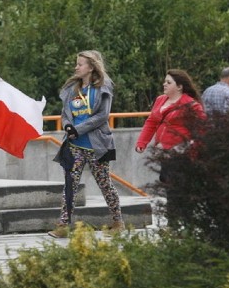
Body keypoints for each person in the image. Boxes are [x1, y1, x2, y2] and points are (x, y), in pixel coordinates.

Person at [48, 51, 123, 238]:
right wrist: (67, 125)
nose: (76, 67)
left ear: (90, 67)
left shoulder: (103, 87)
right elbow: (65, 113)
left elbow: (102, 116)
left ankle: (117, 221)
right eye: (76, 64)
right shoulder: (72, 88)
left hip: (96, 146)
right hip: (74, 145)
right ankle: (63, 226)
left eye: (80, 64)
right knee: (69, 185)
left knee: (105, 183)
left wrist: (78, 129)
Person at [135, 69, 206, 182]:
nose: (164, 84)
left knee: (173, 183)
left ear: (179, 87)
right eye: (164, 82)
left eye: (168, 82)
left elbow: (203, 128)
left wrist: (192, 149)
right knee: (165, 179)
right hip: (163, 152)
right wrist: (141, 142)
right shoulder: (160, 100)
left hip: (180, 153)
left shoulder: (191, 105)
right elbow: (151, 122)